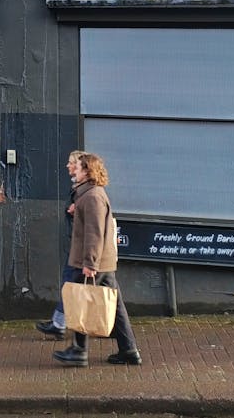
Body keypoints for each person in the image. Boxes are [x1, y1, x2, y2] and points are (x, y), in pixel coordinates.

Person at [53, 153, 142, 367]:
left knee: (82, 301)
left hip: (93, 263)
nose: (74, 170)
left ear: (88, 172)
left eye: (79, 167)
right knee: (116, 307)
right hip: (101, 262)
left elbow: (94, 232)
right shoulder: (88, 195)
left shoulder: (93, 196)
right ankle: (129, 350)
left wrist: (90, 264)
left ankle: (79, 351)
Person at [35, 150, 86, 340]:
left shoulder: (85, 191)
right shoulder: (77, 188)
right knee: (73, 283)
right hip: (76, 243)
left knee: (73, 283)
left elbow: (91, 221)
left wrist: (76, 209)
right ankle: (59, 323)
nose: (67, 165)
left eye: (71, 162)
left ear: (81, 166)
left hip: (80, 246)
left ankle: (61, 326)